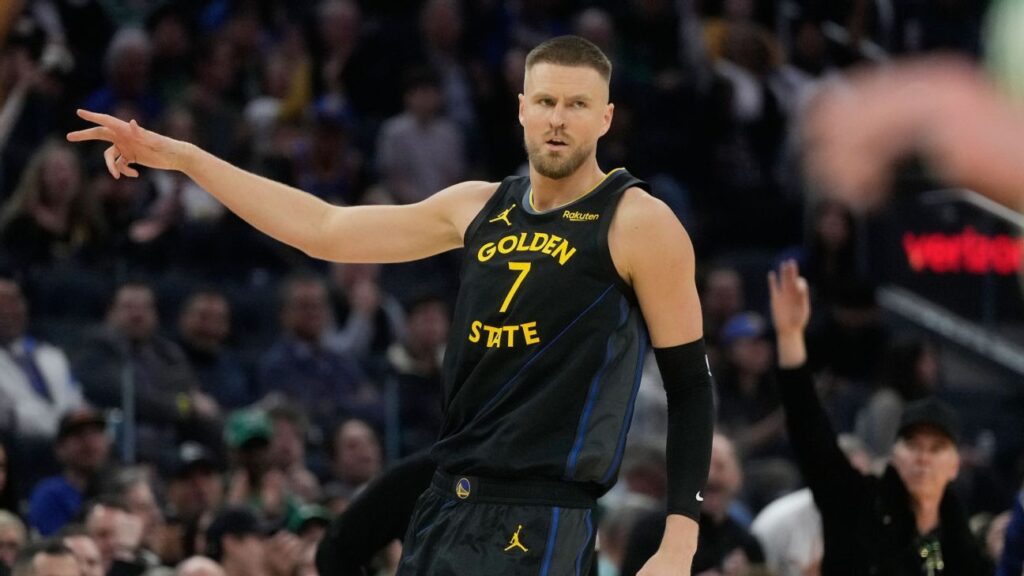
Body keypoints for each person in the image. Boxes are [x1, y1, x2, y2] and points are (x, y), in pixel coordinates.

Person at [68, 35, 714, 575]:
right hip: (445, 502)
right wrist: (182, 157)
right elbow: (324, 228)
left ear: (605, 118)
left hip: (541, 512)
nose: (558, 118)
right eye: (545, 100)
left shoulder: (638, 222)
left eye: (578, 104)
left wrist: (679, 539)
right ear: (521, 108)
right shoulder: (477, 205)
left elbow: (690, 388)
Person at [767, 260, 992, 575]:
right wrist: (790, 339)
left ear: (955, 465)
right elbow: (809, 430)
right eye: (912, 444)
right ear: (893, 453)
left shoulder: (965, 551)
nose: (923, 458)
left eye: (937, 447)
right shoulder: (855, 503)